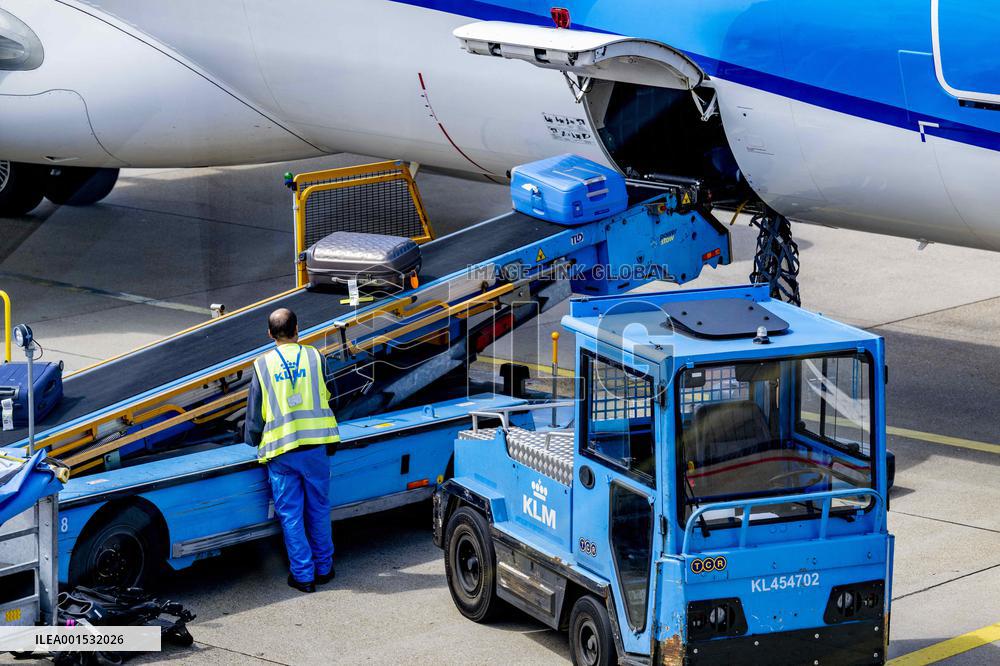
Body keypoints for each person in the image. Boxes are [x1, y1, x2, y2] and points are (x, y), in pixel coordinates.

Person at [245, 308, 339, 593]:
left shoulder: (262, 365)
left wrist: (251, 439)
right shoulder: (316, 357)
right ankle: (324, 568)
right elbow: (331, 393)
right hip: (316, 447)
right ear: (298, 328)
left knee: (291, 515)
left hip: (283, 450)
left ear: (270, 334)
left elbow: (254, 415)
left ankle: (303, 576)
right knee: (319, 508)